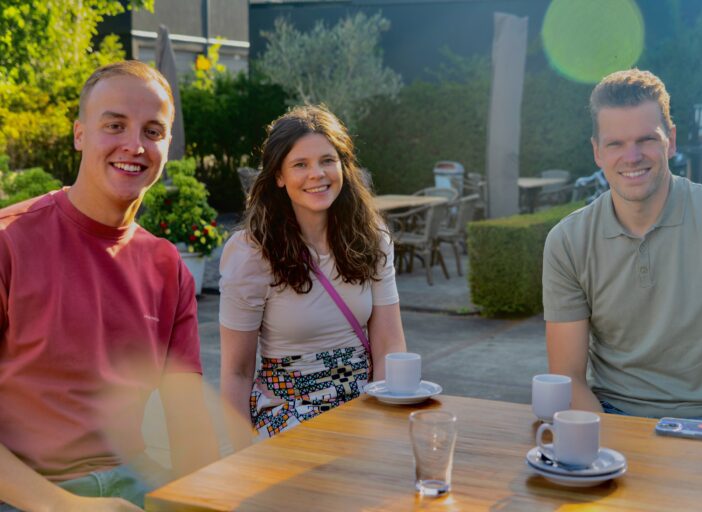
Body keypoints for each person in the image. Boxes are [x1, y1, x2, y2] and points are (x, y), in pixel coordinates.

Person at [543, 68, 702, 509]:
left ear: (671, 140)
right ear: (597, 152)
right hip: (613, 420)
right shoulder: (568, 241)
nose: (632, 156)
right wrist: (611, 450)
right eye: (615, 143)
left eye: (646, 139)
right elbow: (568, 376)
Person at [0, 60, 219, 511]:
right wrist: (65, 507)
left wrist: (208, 501)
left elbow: (190, 427)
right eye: (115, 125)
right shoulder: (9, 242)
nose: (135, 145)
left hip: (132, 484)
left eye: (153, 131)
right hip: (25, 493)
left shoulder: (168, 267)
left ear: (168, 145)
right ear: (80, 134)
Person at [219, 105, 406, 448]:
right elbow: (237, 372)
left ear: (343, 166)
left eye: (327, 160)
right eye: (300, 164)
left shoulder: (372, 238)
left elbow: (389, 345)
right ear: (279, 176)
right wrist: (240, 458)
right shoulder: (250, 253)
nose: (317, 174)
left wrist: (382, 422)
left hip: (362, 406)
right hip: (288, 414)